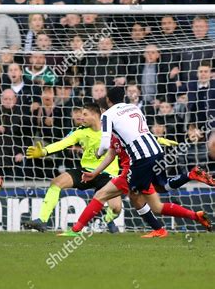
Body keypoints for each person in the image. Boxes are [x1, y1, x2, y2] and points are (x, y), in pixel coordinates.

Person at [94, 88, 214, 231]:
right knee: (160, 193)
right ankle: (190, 180)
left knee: (133, 195)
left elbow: (107, 147)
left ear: (107, 102)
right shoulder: (132, 109)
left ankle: (158, 229)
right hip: (155, 152)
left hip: (139, 162)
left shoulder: (109, 117)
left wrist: (98, 154)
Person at [22, 103, 122, 232]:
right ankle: (42, 220)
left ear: (95, 115)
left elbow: (133, 139)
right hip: (86, 171)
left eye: (85, 114)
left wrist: (157, 141)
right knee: (56, 182)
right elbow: (62, 143)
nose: (81, 118)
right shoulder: (79, 131)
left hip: (108, 174)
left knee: (116, 208)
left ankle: (107, 221)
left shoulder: (112, 130)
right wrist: (44, 152)